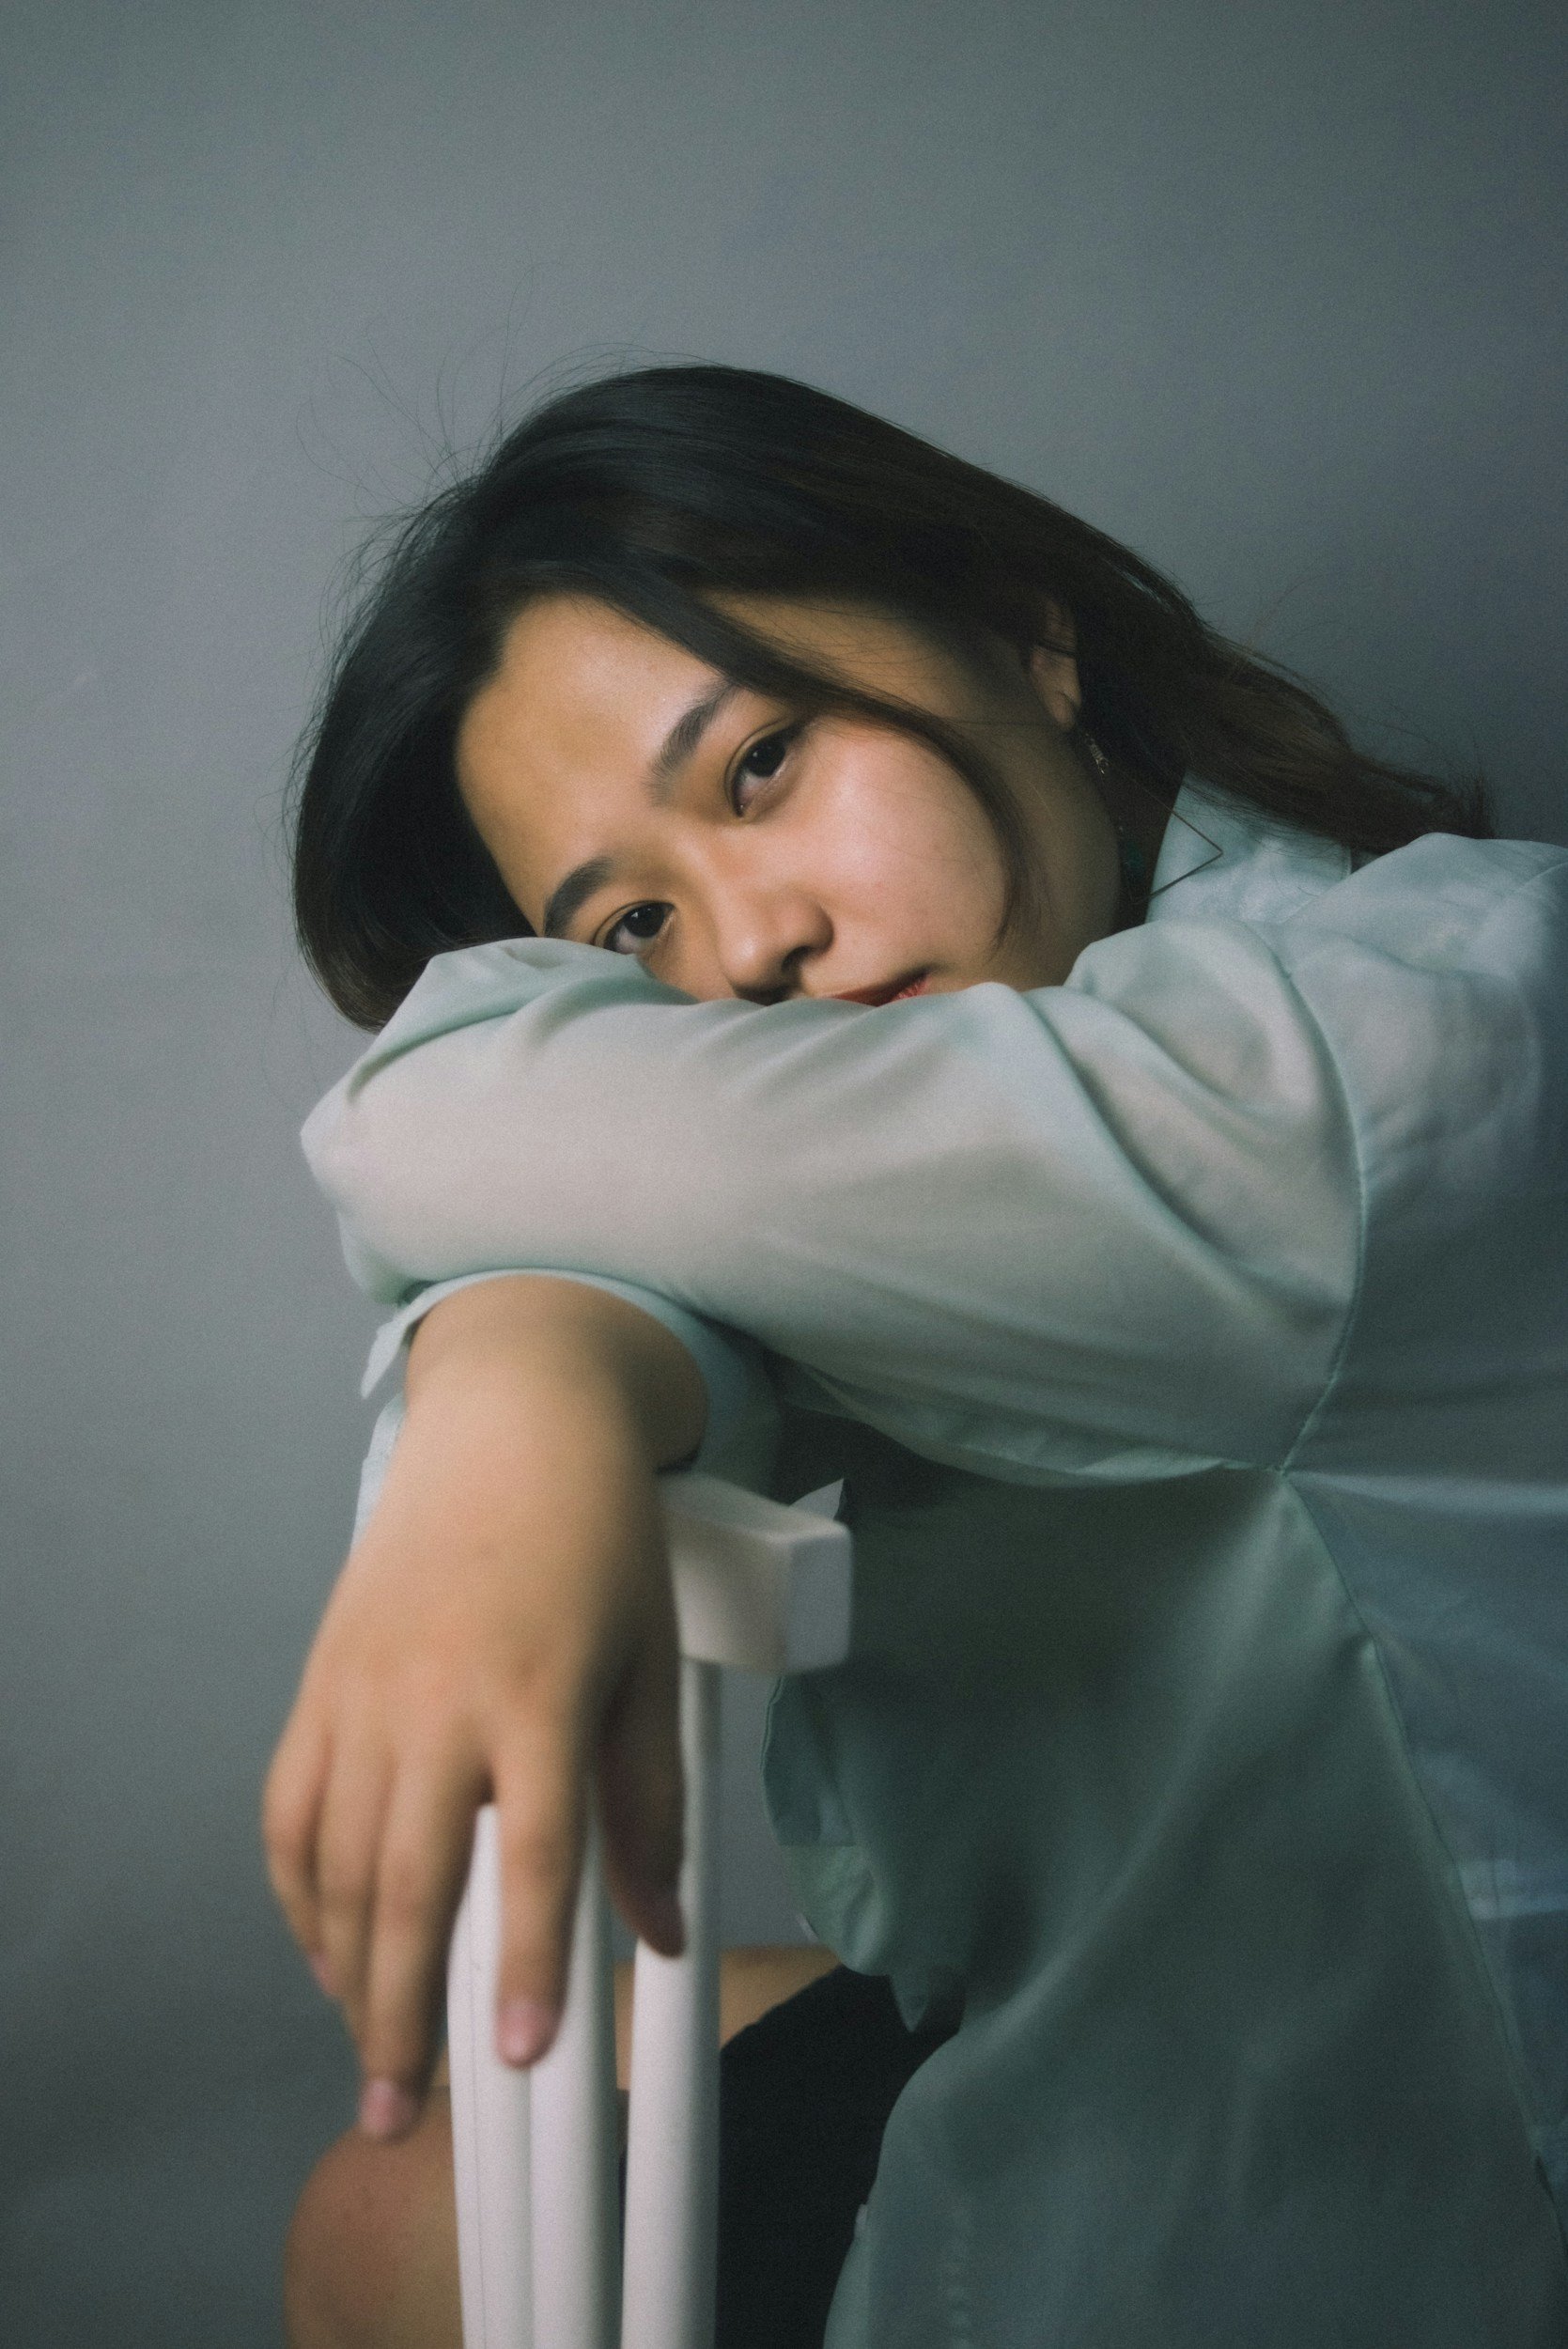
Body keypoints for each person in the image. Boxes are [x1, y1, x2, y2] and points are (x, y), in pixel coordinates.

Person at [267, 363, 1568, 2347]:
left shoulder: (1410, 1041)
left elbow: (452, 1118)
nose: (747, 946)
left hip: (1347, 2210)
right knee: (391, 2200)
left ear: (1024, 636)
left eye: (762, 761)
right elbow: (648, 1201)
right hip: (1086, 2013)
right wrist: (536, 1370)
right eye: (627, 927)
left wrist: (509, 1347)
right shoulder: (841, 1164)